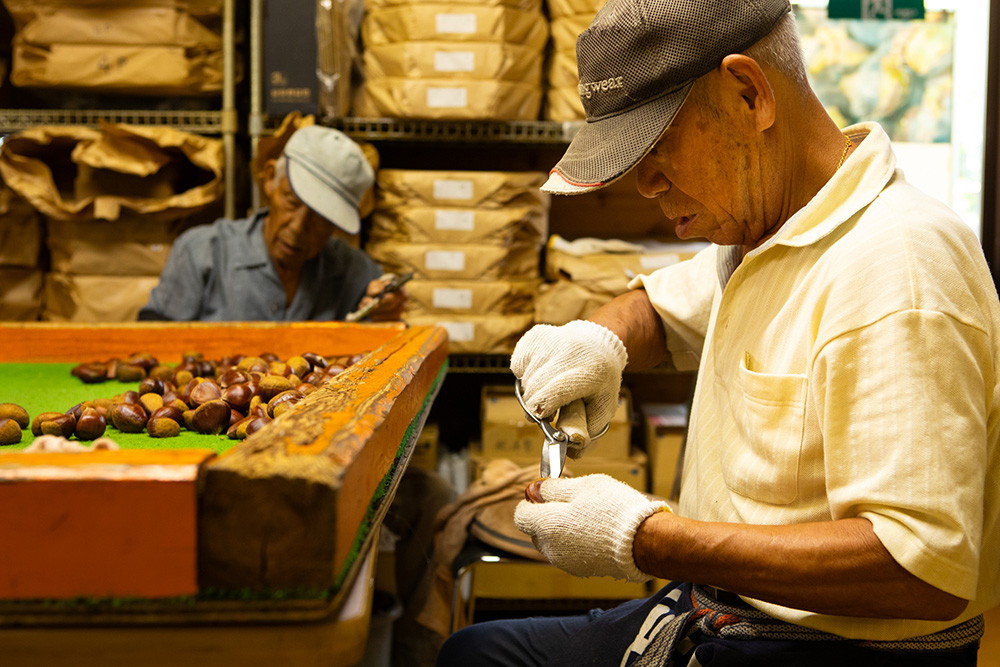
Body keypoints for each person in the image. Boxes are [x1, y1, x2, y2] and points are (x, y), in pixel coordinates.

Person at [437, 0, 1000, 665]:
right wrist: (599, 337)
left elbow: (920, 567)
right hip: (721, 607)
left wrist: (647, 538)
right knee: (477, 653)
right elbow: (667, 309)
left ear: (748, 95)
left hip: (825, 644)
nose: (644, 182)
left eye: (656, 147)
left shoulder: (901, 270)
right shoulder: (772, 229)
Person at [139, 124, 404, 322]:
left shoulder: (352, 271)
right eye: (291, 201)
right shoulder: (201, 253)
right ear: (269, 180)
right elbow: (149, 346)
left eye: (321, 218)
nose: (298, 227)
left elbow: (389, 338)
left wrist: (387, 310)